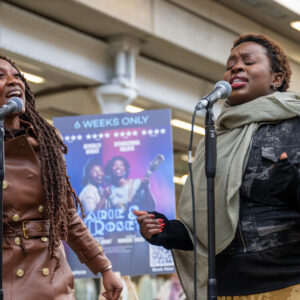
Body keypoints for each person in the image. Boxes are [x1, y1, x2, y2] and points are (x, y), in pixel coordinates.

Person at [134, 33, 300, 300]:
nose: (236, 67)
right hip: (228, 287)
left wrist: (293, 186)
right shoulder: (215, 138)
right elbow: (206, 229)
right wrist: (166, 231)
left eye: (248, 61)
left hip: (289, 283)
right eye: (231, 63)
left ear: (276, 79)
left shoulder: (295, 125)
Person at [0, 55, 123, 300]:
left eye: (17, 76)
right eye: (1, 77)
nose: (13, 81)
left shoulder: (46, 140)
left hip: (52, 274)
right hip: (7, 273)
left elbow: (67, 215)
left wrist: (104, 268)